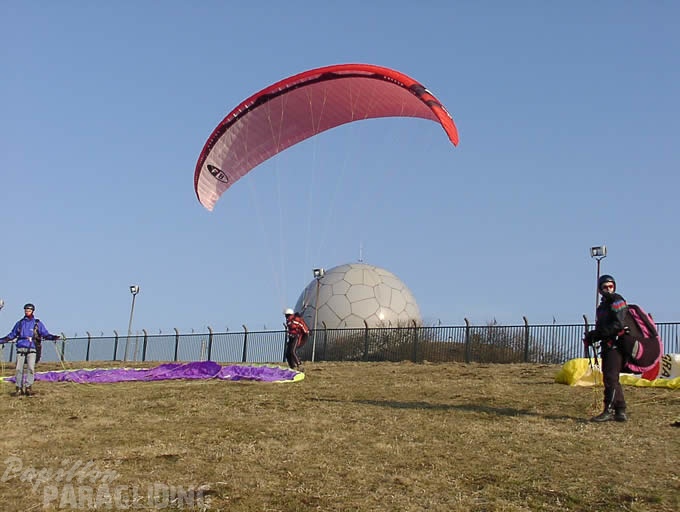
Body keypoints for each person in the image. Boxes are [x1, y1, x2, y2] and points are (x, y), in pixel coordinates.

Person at [584, 275, 634, 422]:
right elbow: (604, 327)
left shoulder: (617, 301)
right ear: (600, 290)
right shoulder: (602, 307)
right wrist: (594, 336)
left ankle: (609, 410)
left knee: (610, 377)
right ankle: (620, 410)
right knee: (611, 377)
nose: (608, 289)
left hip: (617, 344)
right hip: (608, 344)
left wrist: (598, 334)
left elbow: (617, 325)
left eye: (610, 286)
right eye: (605, 287)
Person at [0, 303, 61, 396]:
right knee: (18, 369)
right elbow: (12, 335)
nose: (27, 311)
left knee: (31, 368)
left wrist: (53, 337)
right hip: (21, 348)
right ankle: (18, 388)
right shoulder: (20, 323)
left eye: (29, 310)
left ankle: (28, 387)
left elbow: (45, 333)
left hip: (32, 348)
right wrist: (2, 340)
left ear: (32, 311)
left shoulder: (37, 323)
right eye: (26, 310)